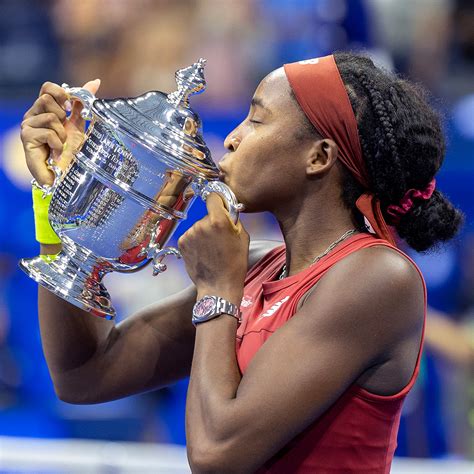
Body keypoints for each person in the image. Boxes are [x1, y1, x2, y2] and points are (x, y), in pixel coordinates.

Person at [20, 53, 463, 473]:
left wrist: (216, 291)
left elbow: (217, 456)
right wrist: (62, 197)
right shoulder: (254, 266)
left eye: (257, 118)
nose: (232, 137)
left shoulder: (378, 277)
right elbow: (84, 375)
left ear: (319, 156)